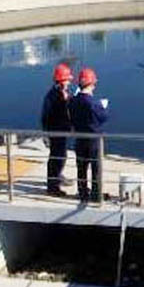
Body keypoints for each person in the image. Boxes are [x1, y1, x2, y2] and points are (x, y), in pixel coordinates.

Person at [69, 67, 110, 202]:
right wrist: (103, 106)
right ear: (92, 84)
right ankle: (96, 194)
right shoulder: (93, 103)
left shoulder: (73, 101)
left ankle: (82, 192)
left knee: (81, 167)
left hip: (79, 139)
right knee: (96, 167)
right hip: (93, 140)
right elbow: (103, 117)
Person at [41, 63, 73, 197]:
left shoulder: (60, 93)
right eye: (67, 80)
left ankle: (57, 176)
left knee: (61, 156)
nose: (69, 82)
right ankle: (52, 186)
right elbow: (47, 115)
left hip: (61, 130)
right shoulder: (54, 96)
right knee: (57, 157)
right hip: (56, 131)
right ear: (61, 81)